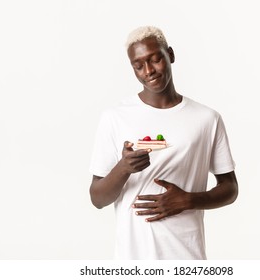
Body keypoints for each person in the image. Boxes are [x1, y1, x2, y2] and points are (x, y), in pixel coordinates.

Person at [89, 26, 238, 260]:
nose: (148, 71)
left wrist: (189, 200)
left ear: (170, 54)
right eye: (138, 65)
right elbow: (97, 199)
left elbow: (230, 189)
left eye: (155, 59)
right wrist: (124, 168)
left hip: (186, 258)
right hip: (133, 260)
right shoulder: (115, 118)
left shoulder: (207, 118)